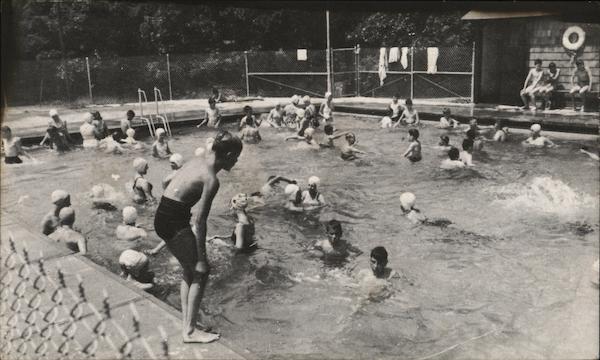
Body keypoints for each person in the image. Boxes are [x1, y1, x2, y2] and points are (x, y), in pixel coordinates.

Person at [153, 130, 242, 343]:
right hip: (174, 222)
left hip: (163, 215)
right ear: (228, 155)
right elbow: (200, 222)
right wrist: (202, 257)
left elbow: (168, 183)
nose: (237, 161)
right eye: (236, 156)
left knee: (188, 269)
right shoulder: (211, 178)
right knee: (201, 271)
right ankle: (190, 332)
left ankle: (187, 322)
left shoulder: (197, 160)